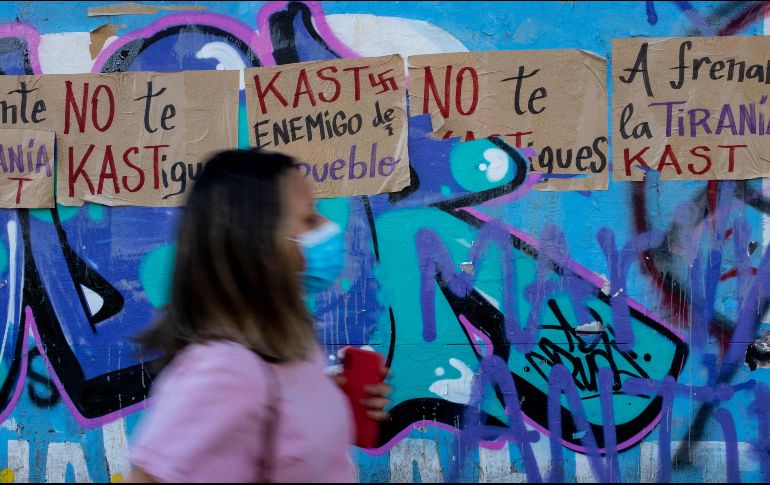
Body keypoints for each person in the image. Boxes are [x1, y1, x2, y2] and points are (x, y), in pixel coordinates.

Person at [127, 149, 391, 483]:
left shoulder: (294, 349)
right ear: (258, 243)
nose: (328, 227)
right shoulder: (224, 372)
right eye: (309, 218)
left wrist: (330, 404)